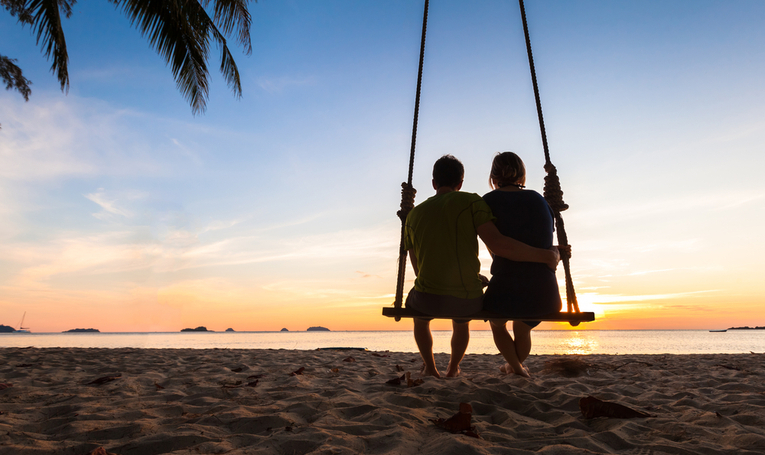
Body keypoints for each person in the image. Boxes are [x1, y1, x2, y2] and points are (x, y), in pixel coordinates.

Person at [403, 154, 560, 378]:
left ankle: (430, 366)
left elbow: (418, 267)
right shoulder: (473, 202)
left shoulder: (413, 215)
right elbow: (497, 243)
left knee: (420, 317)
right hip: (474, 300)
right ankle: (454, 367)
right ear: (460, 183)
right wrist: (549, 254)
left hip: (431, 297)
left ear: (434, 183)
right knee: (465, 320)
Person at [482, 152, 563, 377]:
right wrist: (552, 254)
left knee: (497, 324)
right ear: (522, 175)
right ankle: (514, 367)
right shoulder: (539, 200)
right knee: (522, 327)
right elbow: (541, 240)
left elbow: (500, 247)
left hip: (505, 291)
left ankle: (516, 368)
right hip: (544, 294)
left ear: (493, 176)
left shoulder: (487, 201)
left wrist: (548, 255)